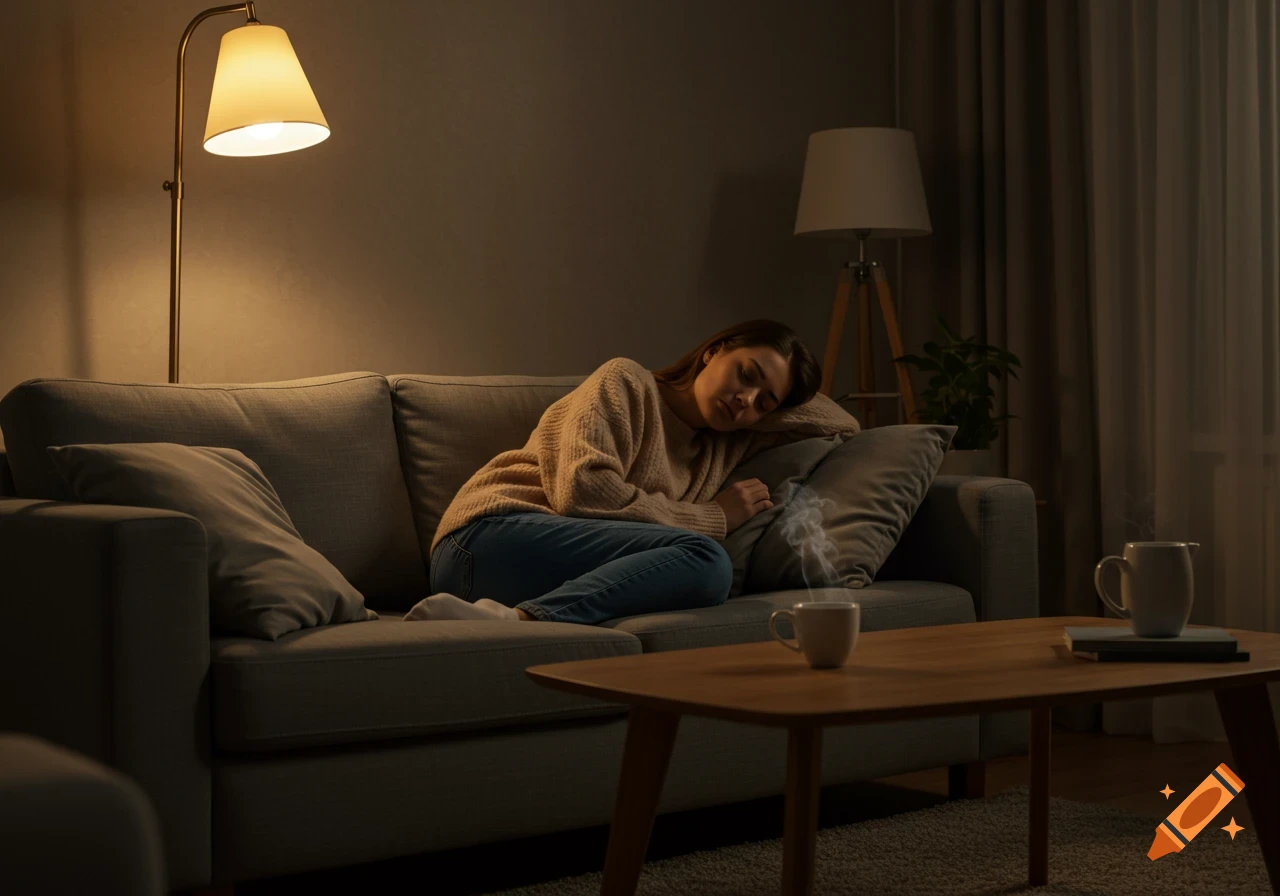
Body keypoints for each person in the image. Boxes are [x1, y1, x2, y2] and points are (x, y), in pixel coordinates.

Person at [403, 318, 861, 625]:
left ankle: (516, 620)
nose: (746, 399)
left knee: (706, 574)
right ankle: (518, 621)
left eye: (765, 401)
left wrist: (769, 403)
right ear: (713, 351)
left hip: (549, 570)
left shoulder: (725, 444)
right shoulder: (625, 382)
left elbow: (841, 422)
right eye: (745, 373)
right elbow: (580, 493)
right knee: (706, 557)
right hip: (485, 541)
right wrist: (714, 518)